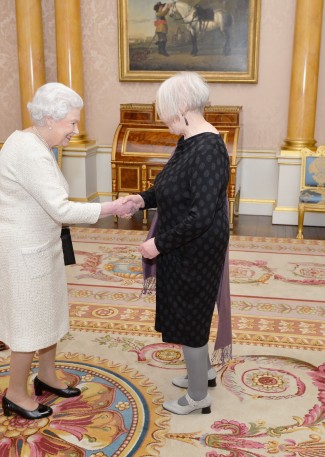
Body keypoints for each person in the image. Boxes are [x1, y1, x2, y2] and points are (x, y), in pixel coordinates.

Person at [0, 82, 134, 420]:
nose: (75, 130)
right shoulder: (29, 150)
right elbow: (61, 209)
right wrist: (111, 208)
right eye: (71, 123)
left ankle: (47, 375)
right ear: (49, 119)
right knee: (28, 322)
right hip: (23, 249)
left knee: (48, 311)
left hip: (41, 244)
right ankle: (15, 393)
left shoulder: (36, 143)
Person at [122, 72, 230, 415]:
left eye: (165, 110)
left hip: (195, 247)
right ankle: (204, 373)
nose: (163, 118)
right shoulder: (189, 140)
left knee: (190, 316)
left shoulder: (208, 148)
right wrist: (142, 198)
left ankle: (199, 397)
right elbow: (171, 188)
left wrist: (159, 244)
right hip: (184, 244)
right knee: (188, 310)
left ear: (182, 106)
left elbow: (200, 216)